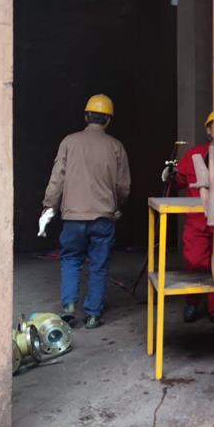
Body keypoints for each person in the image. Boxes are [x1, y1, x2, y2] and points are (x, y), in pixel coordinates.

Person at [40, 93, 130, 330]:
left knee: (71, 260)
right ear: (108, 120)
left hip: (73, 217)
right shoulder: (116, 147)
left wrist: (49, 205)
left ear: (86, 116)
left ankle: (69, 307)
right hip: (103, 217)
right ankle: (93, 315)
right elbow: (123, 186)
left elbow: (57, 179)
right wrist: (117, 206)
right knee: (99, 265)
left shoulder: (69, 142)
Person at [166, 112, 214, 329]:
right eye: (213, 125)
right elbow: (178, 183)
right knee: (195, 262)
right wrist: (170, 176)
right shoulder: (194, 155)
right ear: (207, 130)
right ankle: (191, 302)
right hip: (197, 223)